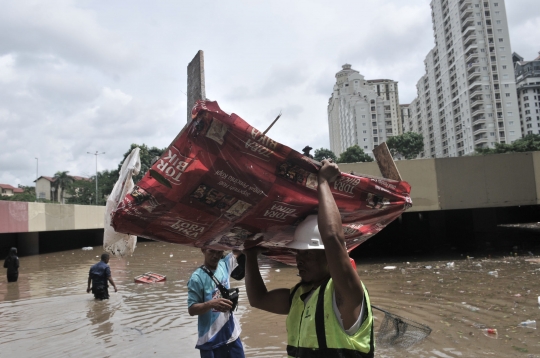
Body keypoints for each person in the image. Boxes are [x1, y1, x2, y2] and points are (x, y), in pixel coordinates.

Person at [244, 159, 375, 357]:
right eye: (299, 253)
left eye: (308, 253)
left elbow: (332, 239)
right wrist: (250, 255)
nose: (300, 260)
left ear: (328, 256)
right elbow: (258, 299)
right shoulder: (298, 296)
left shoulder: (346, 293)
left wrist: (323, 182)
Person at [187, 249, 245, 358]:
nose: (215, 256)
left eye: (219, 252)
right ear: (203, 249)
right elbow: (192, 309)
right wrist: (211, 304)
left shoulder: (225, 264)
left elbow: (239, 249)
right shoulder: (197, 278)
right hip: (210, 340)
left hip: (231, 335)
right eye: (211, 252)